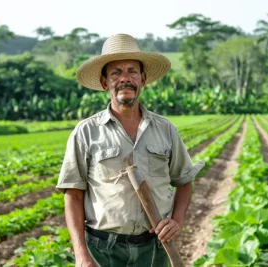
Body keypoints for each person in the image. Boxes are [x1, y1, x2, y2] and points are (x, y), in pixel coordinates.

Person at [56, 33, 204, 267]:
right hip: (103, 250)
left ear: (143, 79)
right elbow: (72, 195)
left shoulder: (165, 129)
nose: (125, 78)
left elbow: (184, 181)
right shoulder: (86, 132)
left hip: (155, 248)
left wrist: (176, 221)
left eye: (131, 71)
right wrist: (81, 255)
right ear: (105, 83)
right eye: (116, 72)